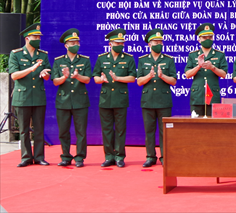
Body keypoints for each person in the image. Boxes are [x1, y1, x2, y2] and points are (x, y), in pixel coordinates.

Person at [8, 23, 51, 167]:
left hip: (38, 96)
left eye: (39, 37)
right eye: (35, 37)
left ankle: (39, 157)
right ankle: (26, 157)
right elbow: (14, 75)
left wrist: (44, 74)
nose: (38, 39)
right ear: (27, 38)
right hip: (22, 97)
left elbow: (47, 75)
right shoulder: (16, 54)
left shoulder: (43, 55)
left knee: (39, 129)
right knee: (24, 130)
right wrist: (32, 68)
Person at [93, 29, 137, 168]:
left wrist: (118, 78)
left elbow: (132, 77)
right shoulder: (102, 58)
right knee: (106, 129)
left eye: (122, 43)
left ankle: (119, 156)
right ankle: (108, 156)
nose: (120, 45)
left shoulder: (128, 58)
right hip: (105, 99)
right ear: (110, 43)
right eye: (117, 42)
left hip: (120, 98)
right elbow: (95, 77)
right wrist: (101, 79)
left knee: (120, 129)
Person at [51, 28, 92, 168]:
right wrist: (65, 77)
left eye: (77, 42)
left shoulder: (85, 60)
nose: (76, 44)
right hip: (63, 101)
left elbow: (87, 79)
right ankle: (65, 157)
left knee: (81, 131)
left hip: (80, 101)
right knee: (63, 131)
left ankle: (80, 157)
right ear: (66, 45)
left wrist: (77, 76)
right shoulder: (58, 61)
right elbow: (55, 81)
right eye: (72, 42)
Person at [137, 29, 177, 167]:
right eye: (156, 42)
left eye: (160, 42)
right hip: (148, 100)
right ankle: (150, 156)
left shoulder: (168, 60)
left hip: (163, 101)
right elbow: (139, 81)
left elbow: (173, 81)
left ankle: (165, 156)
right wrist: (149, 76)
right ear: (149, 44)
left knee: (164, 130)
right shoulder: (143, 60)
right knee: (149, 130)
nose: (158, 44)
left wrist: (162, 76)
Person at [185, 23, 228, 117]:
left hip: (213, 96)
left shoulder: (220, 55)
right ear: (199, 40)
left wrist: (212, 67)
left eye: (210, 37)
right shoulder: (193, 55)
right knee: (196, 127)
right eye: (204, 38)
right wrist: (198, 66)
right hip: (197, 96)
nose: (207, 39)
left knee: (213, 127)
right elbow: (187, 74)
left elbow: (224, 74)